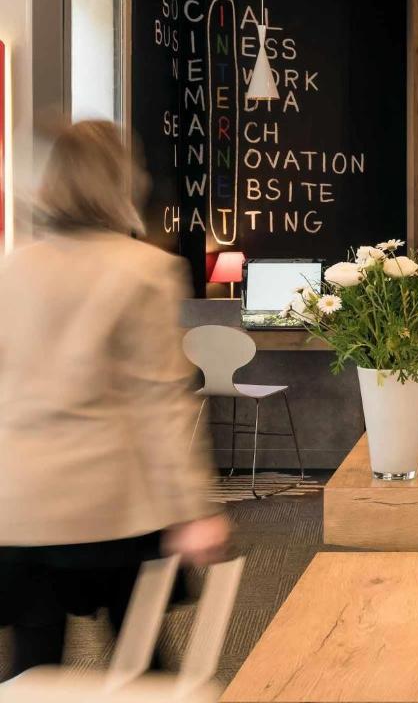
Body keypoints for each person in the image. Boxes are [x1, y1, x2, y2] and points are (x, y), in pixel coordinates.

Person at [0, 120, 230, 679]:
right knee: (143, 664)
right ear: (121, 183)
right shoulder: (145, 272)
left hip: (21, 506)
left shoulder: (12, 269)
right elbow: (160, 407)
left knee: (31, 670)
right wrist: (193, 508)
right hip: (114, 507)